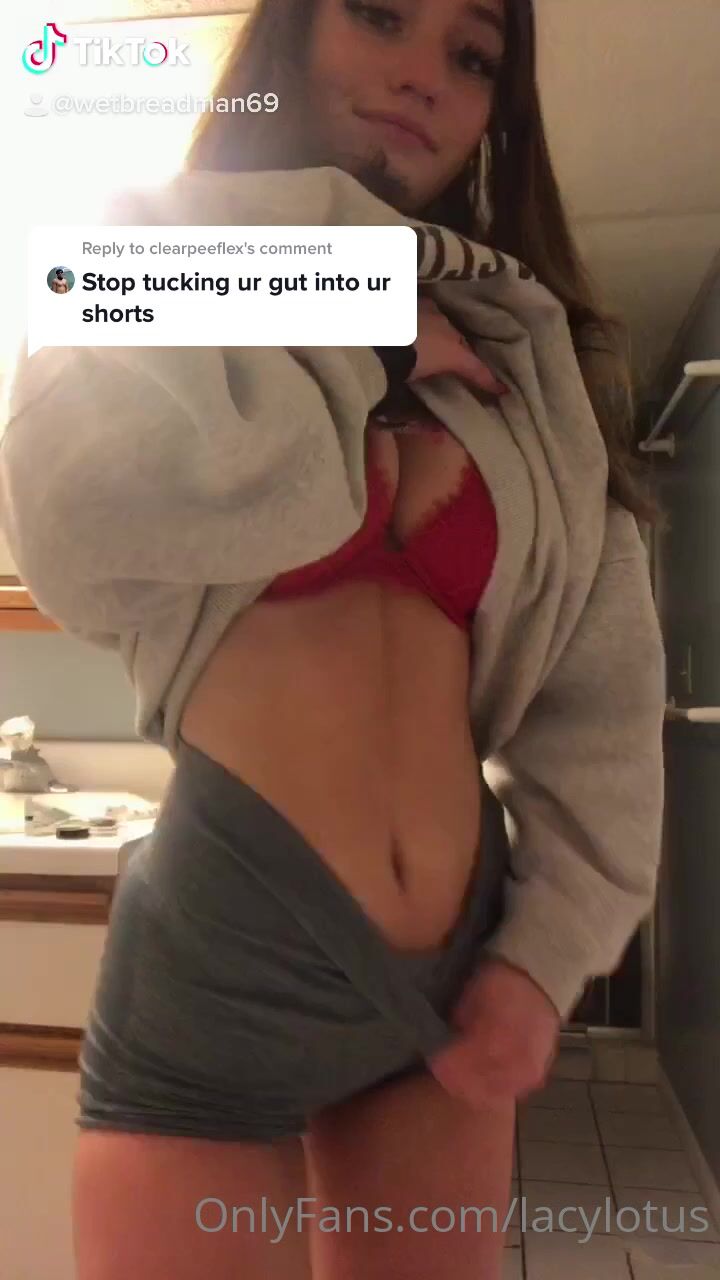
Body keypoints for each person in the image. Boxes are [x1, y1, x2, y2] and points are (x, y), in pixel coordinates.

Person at [0, 1, 667, 1277]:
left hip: (453, 969)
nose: (423, 75)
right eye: (379, 15)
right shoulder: (139, 255)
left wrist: (546, 956)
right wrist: (364, 323)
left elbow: (604, 694)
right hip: (229, 942)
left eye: (472, 56)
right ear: (290, 37)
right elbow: (76, 526)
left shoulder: (527, 357)